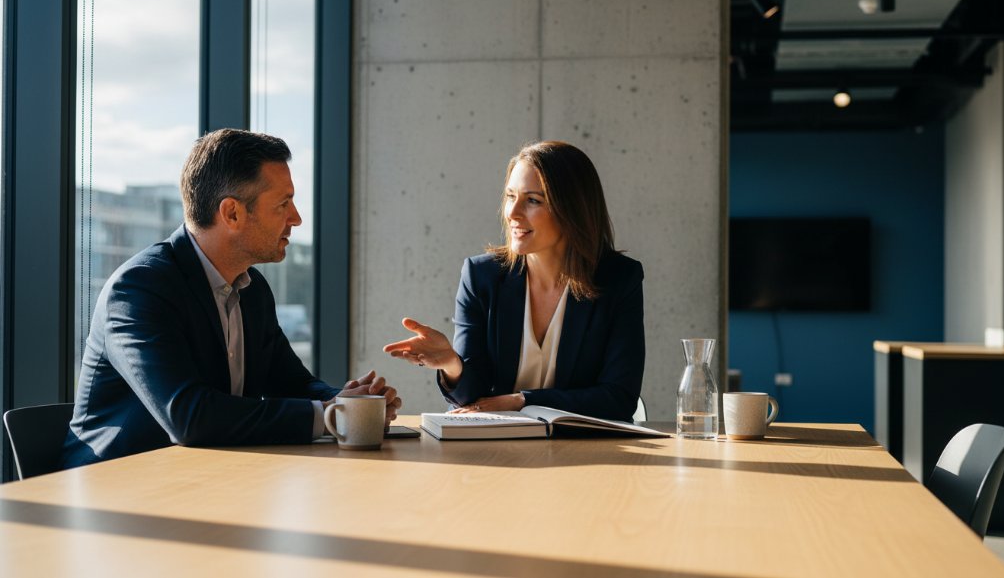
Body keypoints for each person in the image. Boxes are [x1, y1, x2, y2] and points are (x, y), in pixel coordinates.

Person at [62, 129, 401, 468]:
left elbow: (292, 383)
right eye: (283, 204)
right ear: (232, 213)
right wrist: (332, 415)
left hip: (202, 482)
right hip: (116, 493)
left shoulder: (252, 289)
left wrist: (350, 403)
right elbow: (188, 416)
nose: (296, 218)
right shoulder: (140, 288)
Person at [383, 141, 644, 421]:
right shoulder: (481, 276)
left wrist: (522, 400)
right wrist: (451, 364)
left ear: (572, 209)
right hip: (497, 446)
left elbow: (619, 398)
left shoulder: (618, 279)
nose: (512, 213)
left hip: (585, 449)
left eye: (533, 200)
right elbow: (473, 400)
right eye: (510, 196)